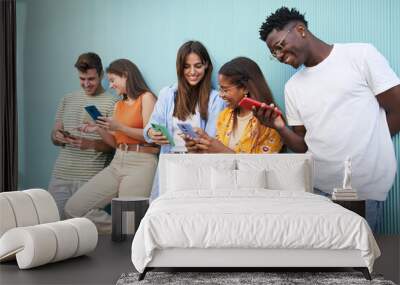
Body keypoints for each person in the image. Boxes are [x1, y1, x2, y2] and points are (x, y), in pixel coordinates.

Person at [257, 7, 400, 231]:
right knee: (325, 262)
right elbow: (303, 145)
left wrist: (370, 145)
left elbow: (397, 108)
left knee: (359, 260)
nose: (280, 56)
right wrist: (278, 127)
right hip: (318, 190)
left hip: (362, 190)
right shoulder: (293, 87)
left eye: (280, 47)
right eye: (274, 54)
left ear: (301, 30)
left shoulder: (360, 55)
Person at [64, 59, 158, 233]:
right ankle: (121, 228)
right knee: (73, 209)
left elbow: (151, 137)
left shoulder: (146, 98)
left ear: (126, 75)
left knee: (129, 223)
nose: (111, 85)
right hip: (117, 161)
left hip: (141, 163)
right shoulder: (118, 105)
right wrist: (99, 127)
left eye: (113, 80)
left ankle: (127, 230)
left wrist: (119, 127)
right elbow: (115, 143)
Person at [144, 40, 225, 198]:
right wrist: (152, 133)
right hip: (170, 164)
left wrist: (195, 141)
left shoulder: (216, 99)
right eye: (186, 66)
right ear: (179, 68)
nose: (192, 72)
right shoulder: (167, 94)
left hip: (199, 167)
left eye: (198, 65)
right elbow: (149, 128)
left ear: (206, 65)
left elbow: (211, 140)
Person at [49, 52, 117, 218]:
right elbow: (53, 135)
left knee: (80, 223)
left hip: (90, 176)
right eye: (82, 79)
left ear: (101, 75)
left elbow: (114, 144)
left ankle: (124, 232)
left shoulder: (113, 102)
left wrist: (91, 144)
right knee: (53, 221)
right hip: (61, 174)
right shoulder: (67, 99)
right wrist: (57, 136)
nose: (86, 84)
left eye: (91, 79)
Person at [184, 57, 282, 154]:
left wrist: (223, 151)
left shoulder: (270, 120)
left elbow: (263, 166)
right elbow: (218, 161)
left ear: (245, 88)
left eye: (225, 90)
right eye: (220, 89)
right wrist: (201, 150)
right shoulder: (224, 116)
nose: (220, 95)